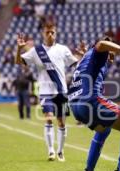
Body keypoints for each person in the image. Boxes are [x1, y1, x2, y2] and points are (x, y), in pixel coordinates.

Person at [68, 37, 120, 171]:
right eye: (111, 52)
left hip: (75, 106)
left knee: (104, 129)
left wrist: (108, 58)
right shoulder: (99, 51)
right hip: (91, 102)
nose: (112, 57)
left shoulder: (86, 59)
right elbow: (101, 44)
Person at [15, 21, 79, 162]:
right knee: (49, 118)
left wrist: (82, 56)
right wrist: (19, 49)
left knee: (61, 122)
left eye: (52, 32)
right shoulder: (36, 51)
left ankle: (60, 151)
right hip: (45, 91)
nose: (50, 34)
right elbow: (19, 62)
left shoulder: (63, 49)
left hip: (61, 90)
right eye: (47, 32)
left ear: (56, 34)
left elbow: (76, 64)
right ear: (42, 34)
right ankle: (51, 150)